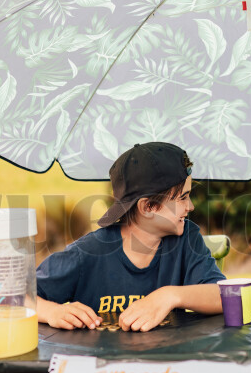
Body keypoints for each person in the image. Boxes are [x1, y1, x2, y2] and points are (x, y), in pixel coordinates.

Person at [36, 142, 225, 332]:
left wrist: (169, 295)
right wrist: (52, 311)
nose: (190, 206)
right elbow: (16, 296)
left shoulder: (187, 239)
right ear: (148, 207)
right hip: (103, 359)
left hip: (167, 359)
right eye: (183, 198)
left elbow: (226, 297)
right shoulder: (88, 253)